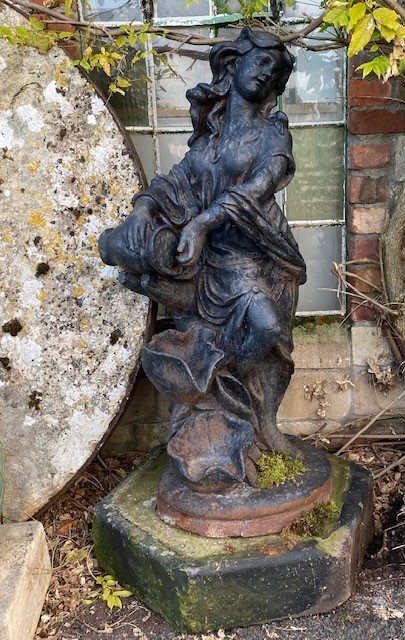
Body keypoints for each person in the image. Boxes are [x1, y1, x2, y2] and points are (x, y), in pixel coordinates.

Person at [99, 27, 306, 491]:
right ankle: (216, 420)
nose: (268, 74)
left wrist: (200, 224)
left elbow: (253, 191)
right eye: (260, 63)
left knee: (270, 329)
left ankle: (231, 392)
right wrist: (143, 208)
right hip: (208, 264)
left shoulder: (272, 136)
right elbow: (172, 185)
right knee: (139, 273)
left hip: (256, 263)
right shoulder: (207, 143)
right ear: (232, 69)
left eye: (275, 71)